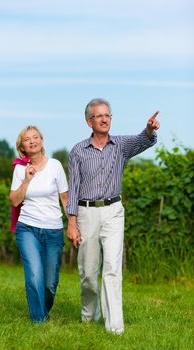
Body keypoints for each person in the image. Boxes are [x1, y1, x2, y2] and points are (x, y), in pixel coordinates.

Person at [66, 98, 160, 334]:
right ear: (89, 121)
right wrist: (72, 223)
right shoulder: (77, 151)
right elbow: (73, 189)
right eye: (99, 116)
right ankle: (89, 316)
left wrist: (149, 128)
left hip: (113, 211)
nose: (105, 119)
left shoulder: (121, 145)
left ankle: (114, 327)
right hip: (86, 212)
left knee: (112, 267)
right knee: (88, 272)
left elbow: (144, 140)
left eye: (108, 115)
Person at [9, 125, 68, 323]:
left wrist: (74, 225)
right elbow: (15, 201)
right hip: (27, 228)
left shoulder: (55, 166)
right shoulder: (19, 169)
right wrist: (26, 180)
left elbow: (65, 199)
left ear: (42, 141)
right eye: (27, 139)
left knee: (50, 283)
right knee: (34, 275)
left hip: (53, 230)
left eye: (36, 137)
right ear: (22, 147)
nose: (32, 141)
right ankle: (38, 321)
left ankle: (44, 310)